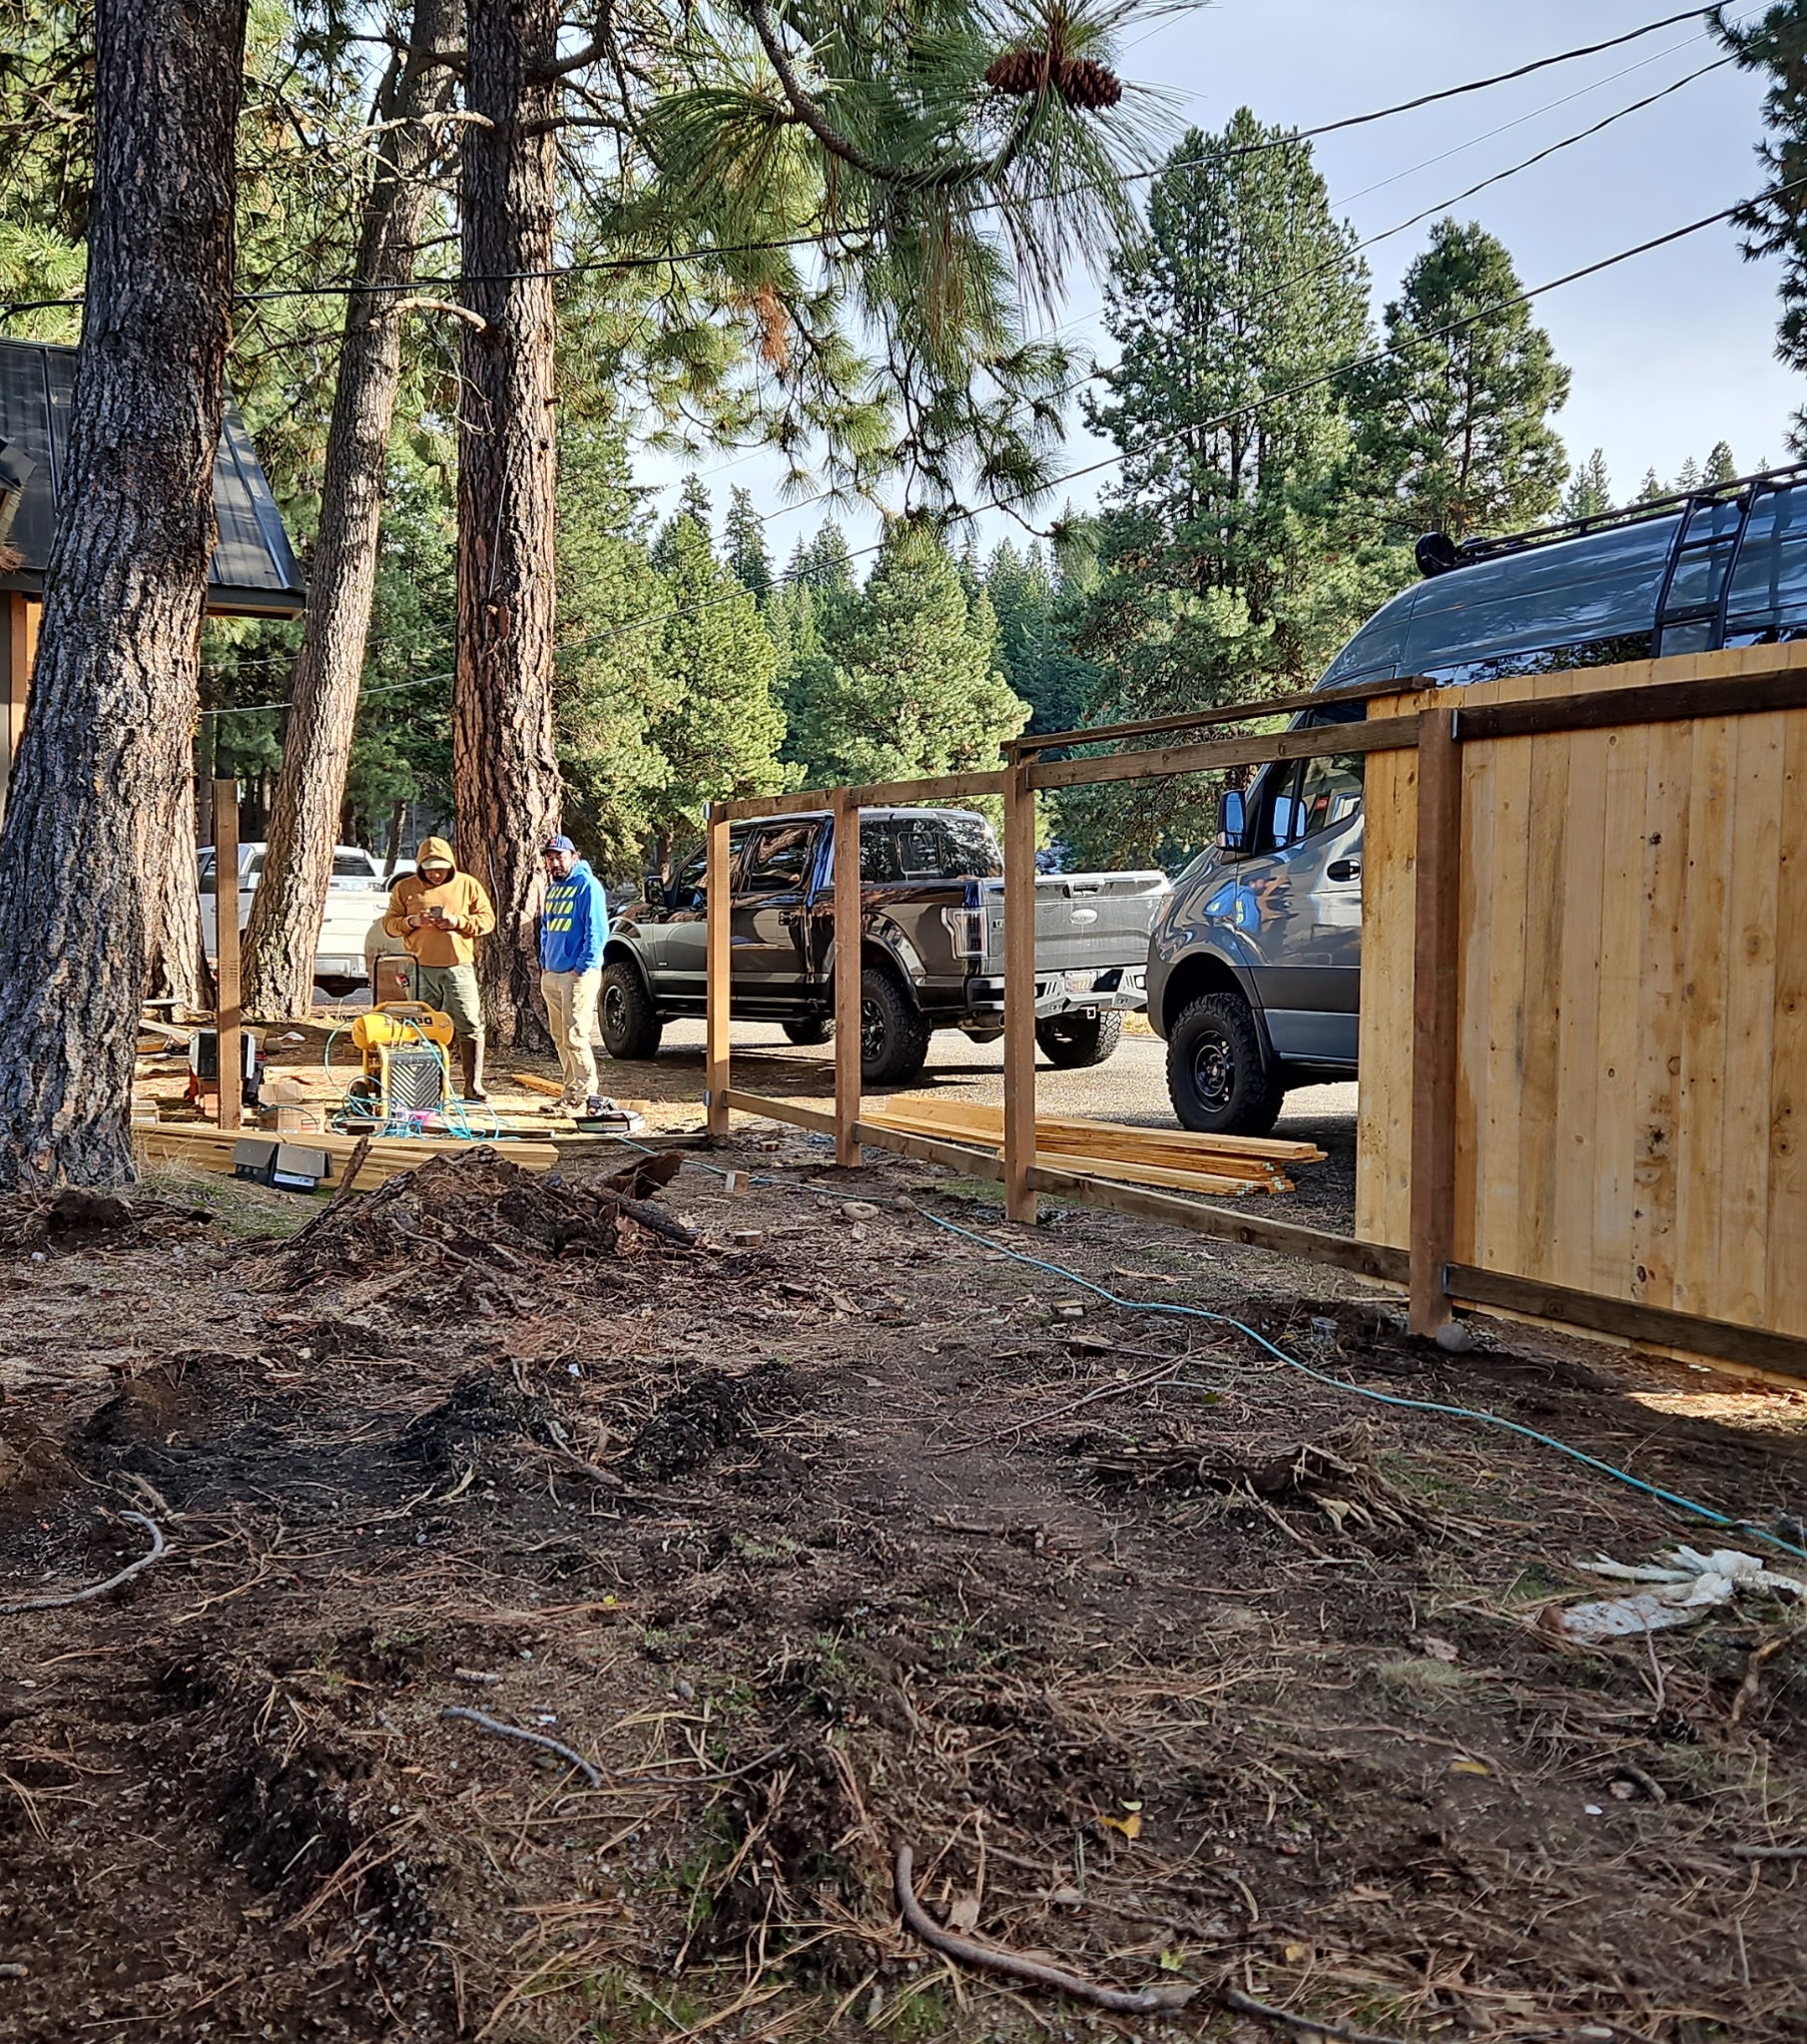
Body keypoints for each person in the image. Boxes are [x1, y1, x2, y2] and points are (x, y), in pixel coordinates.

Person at [382, 837, 496, 1101]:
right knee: (420, 1025)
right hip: (419, 966)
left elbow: (487, 919)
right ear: (420, 866)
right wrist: (413, 920)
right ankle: (425, 1087)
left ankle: (473, 1086)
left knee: (469, 1022)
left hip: (459, 966)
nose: (435, 873)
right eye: (430, 868)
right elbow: (389, 924)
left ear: (451, 865)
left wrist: (457, 921)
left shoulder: (468, 885)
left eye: (441, 868)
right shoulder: (405, 888)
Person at [538, 834, 609, 1108]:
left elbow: (597, 931)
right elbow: (546, 926)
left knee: (575, 1036)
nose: (555, 863)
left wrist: (581, 967)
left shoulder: (588, 886)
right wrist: (545, 961)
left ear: (573, 857)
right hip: (552, 974)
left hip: (576, 976)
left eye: (560, 857)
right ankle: (569, 1093)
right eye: (550, 858)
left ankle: (585, 1095)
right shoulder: (553, 888)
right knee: (560, 1038)